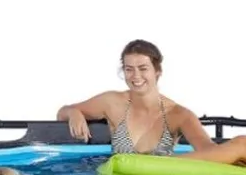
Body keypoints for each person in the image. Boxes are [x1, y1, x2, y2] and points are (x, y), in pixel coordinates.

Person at [56, 39, 214, 155]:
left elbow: (209, 151)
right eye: (129, 69)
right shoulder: (112, 103)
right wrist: (73, 113)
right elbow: (62, 112)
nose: (136, 76)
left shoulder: (178, 114)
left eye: (143, 68)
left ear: (157, 71)